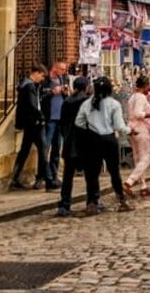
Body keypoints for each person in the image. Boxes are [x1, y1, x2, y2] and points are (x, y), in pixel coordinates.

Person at [74, 77, 132, 214]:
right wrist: (130, 131)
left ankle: (92, 203)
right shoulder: (113, 104)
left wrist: (90, 126)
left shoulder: (87, 104)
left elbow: (79, 122)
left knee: (92, 173)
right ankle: (121, 200)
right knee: (114, 172)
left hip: (92, 139)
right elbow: (119, 125)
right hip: (108, 140)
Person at [10, 65, 54, 190]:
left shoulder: (26, 84)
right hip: (35, 123)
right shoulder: (29, 86)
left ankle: (15, 177)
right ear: (37, 73)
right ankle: (48, 180)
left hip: (28, 123)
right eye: (42, 76)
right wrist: (41, 118)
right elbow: (33, 105)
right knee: (43, 151)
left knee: (24, 150)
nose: (42, 79)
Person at [55, 76, 90, 216]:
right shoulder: (87, 102)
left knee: (67, 176)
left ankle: (64, 204)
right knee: (90, 175)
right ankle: (92, 201)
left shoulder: (67, 101)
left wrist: (66, 135)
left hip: (70, 141)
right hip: (84, 141)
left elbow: (62, 123)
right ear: (86, 87)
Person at [123, 76, 150, 198]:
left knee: (138, 157)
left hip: (132, 128)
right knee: (146, 157)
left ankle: (143, 186)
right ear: (145, 85)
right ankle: (129, 182)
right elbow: (138, 113)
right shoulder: (141, 97)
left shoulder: (132, 97)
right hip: (141, 128)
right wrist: (149, 114)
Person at [41, 61, 69, 189]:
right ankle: (43, 176)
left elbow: (65, 97)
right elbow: (40, 98)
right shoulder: (45, 80)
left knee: (57, 149)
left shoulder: (62, 78)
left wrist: (65, 92)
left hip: (60, 119)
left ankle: (54, 174)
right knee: (45, 148)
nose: (64, 72)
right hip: (49, 119)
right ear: (54, 68)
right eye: (62, 69)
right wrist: (52, 92)